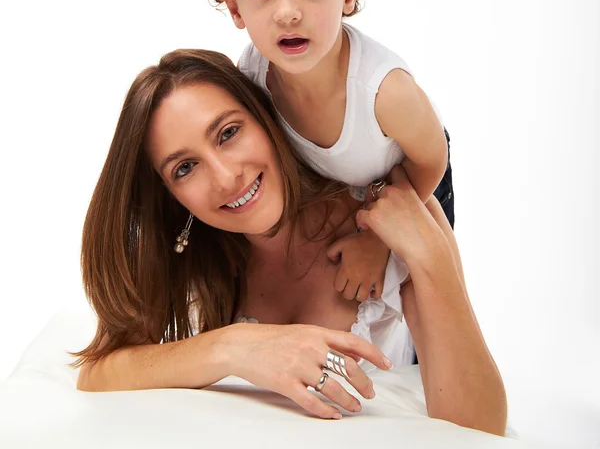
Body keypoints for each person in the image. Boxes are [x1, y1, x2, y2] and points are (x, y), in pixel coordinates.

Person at [72, 49, 506, 435]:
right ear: (170, 193)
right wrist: (235, 348)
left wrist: (432, 257)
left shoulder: (381, 214)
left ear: (265, 117)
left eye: (227, 133)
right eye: (185, 168)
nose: (226, 178)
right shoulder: (195, 247)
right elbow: (98, 372)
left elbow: (479, 427)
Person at [188, 0, 456, 301]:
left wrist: (377, 241)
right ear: (235, 8)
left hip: (411, 178)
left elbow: (431, 161)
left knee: (419, 293)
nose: (287, 11)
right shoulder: (253, 70)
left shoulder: (386, 93)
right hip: (335, 188)